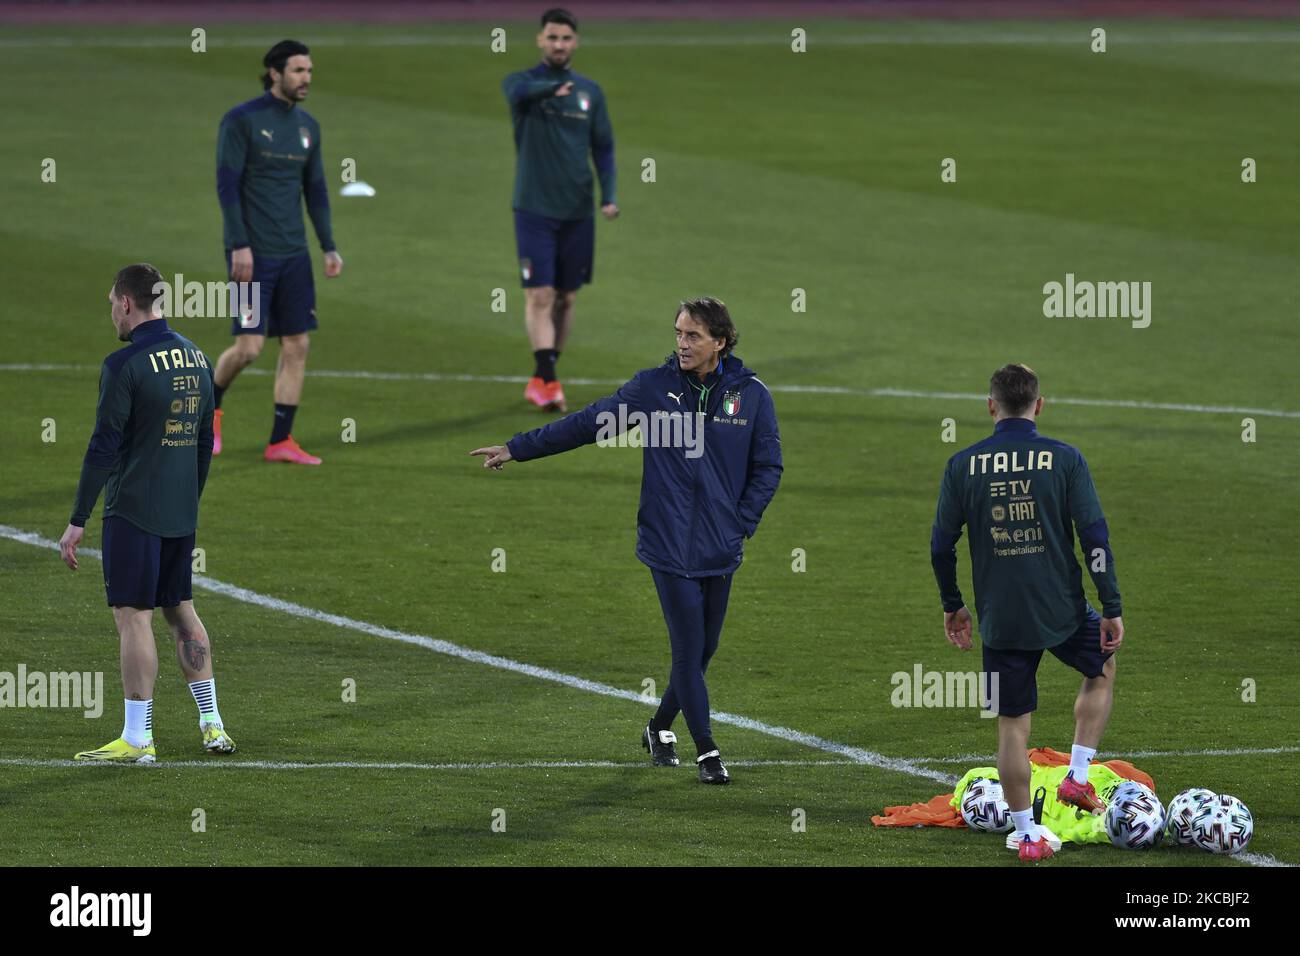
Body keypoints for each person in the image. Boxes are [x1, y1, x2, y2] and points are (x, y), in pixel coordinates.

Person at [471, 297, 781, 783]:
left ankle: (658, 728)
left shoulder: (751, 395)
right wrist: (517, 448)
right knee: (687, 651)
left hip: (721, 544)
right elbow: (586, 424)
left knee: (703, 653)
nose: (682, 343)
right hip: (667, 540)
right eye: (678, 333)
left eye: (693, 336)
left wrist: (742, 520)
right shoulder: (653, 389)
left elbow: (768, 467)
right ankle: (708, 751)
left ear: (720, 342)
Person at [930, 364, 1123, 860]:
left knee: (1014, 725)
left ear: (990, 406)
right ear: (1039, 405)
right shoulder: (1064, 459)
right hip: (1062, 607)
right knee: (1101, 667)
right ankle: (1077, 777)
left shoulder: (962, 465)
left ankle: (1028, 835)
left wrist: (954, 604)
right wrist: (1111, 605)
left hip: (1002, 617)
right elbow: (1094, 537)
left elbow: (940, 547)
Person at [59, 264, 236, 762]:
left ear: (127, 304)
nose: (111, 312)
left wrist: (78, 518)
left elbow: (102, 447)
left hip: (133, 510)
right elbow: (204, 439)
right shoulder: (198, 357)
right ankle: (213, 725)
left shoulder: (125, 364)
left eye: (112, 302)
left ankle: (138, 737)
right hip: (181, 510)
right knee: (181, 609)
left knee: (132, 616)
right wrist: (189, 497)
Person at [212, 38, 343, 465]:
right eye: (299, 70)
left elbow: (316, 190)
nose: (306, 78)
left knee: (297, 344)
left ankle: (280, 441)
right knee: (249, 348)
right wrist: (238, 245)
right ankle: (207, 414)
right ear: (275, 73)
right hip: (254, 256)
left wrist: (328, 246)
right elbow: (227, 187)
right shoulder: (241, 121)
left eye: (309, 70)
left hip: (294, 257)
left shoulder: (308, 127)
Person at [503, 7, 618, 413]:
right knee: (540, 293)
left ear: (575, 42)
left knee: (566, 298)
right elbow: (515, 95)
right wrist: (552, 90)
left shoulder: (589, 92)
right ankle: (549, 380)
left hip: (578, 210)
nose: (558, 45)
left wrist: (610, 195)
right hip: (533, 208)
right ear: (540, 40)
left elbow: (603, 146)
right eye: (552, 38)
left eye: (566, 38)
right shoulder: (523, 84)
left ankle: (542, 374)